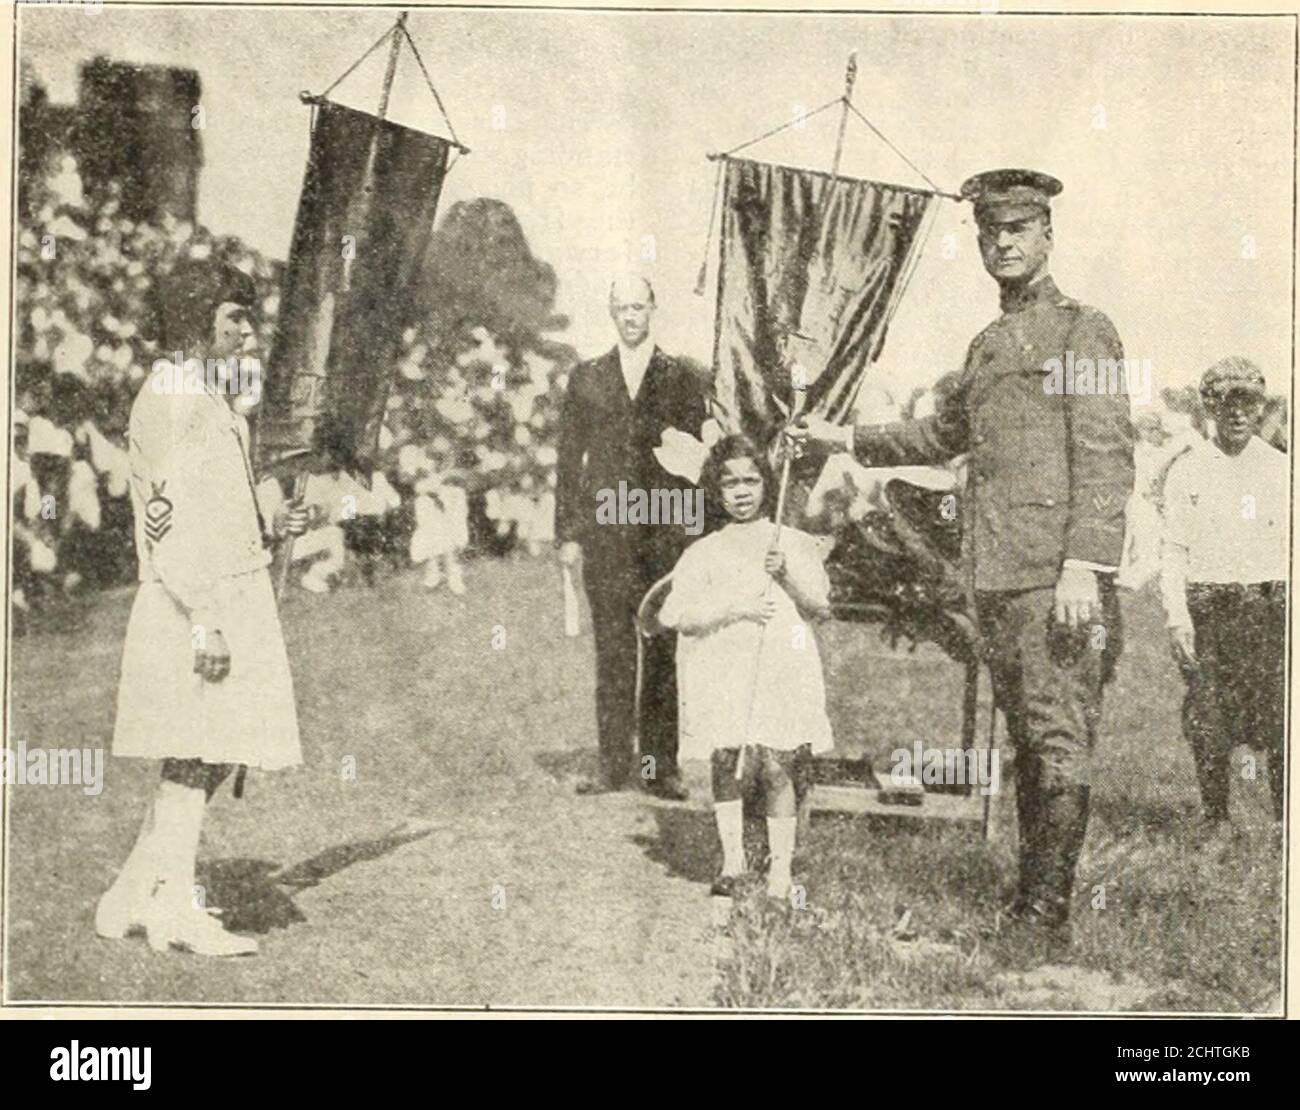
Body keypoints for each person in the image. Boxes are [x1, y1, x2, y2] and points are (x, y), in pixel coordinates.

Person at [792, 169, 1135, 949]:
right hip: (995, 578)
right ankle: (1030, 902)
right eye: (990, 232)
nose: (1003, 243)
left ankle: (1045, 917)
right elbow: (939, 436)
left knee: (1056, 737)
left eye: (1018, 229)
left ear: (1048, 235)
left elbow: (1107, 454)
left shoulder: (1084, 330)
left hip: (1055, 580)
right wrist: (843, 438)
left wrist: (1084, 565)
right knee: (1027, 737)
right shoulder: (986, 346)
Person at [94, 258, 309, 957]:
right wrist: (202, 620)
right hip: (194, 600)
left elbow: (222, 508)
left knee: (213, 753)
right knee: (195, 753)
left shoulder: (213, 399)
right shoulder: (173, 397)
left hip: (226, 591)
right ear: (196, 321)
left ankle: (135, 890)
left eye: (247, 316)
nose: (248, 331)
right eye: (233, 318)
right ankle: (175, 914)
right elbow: (164, 521)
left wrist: (276, 522)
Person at [659, 435, 832, 899]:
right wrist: (732, 608)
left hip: (780, 667)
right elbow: (673, 615)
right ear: (716, 491)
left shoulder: (791, 543)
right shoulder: (704, 551)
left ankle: (780, 872)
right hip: (725, 671)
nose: (741, 492)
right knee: (728, 762)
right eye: (729, 482)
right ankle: (733, 859)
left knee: (777, 765)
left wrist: (786, 575)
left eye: (751, 481)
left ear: (766, 485)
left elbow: (820, 607)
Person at [555, 275, 708, 798]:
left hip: (664, 534)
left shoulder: (684, 378)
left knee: (662, 649)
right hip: (606, 534)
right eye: (621, 308)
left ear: (653, 308)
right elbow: (568, 461)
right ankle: (613, 765)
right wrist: (567, 534)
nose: (630, 317)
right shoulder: (588, 378)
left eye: (639, 307)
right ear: (610, 312)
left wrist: (693, 534)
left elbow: (694, 462)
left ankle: (659, 767)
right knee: (613, 651)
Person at [1161, 358, 1287, 831]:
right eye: (1224, 401)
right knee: (1209, 720)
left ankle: (1283, 826)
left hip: (1271, 609)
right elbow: (1173, 549)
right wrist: (1178, 618)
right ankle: (1215, 821)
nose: (1236, 412)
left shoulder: (1282, 470)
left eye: (1247, 402)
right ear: (1209, 407)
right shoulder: (1187, 471)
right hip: (1210, 610)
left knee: (1279, 719)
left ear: (1260, 409)